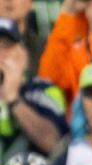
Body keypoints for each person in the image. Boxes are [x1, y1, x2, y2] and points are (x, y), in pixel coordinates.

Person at [0, 17, 67, 157]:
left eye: (6, 46)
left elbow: (53, 144)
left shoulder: (43, 90)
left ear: (23, 56)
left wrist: (13, 99)